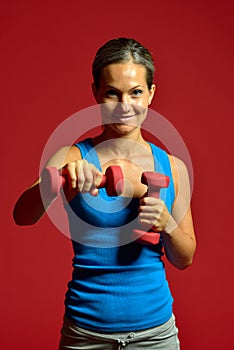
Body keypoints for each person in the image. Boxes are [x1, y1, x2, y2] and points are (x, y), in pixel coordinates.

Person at [13, 37, 196, 349]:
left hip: (156, 335)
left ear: (151, 94)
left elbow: (185, 258)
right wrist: (58, 179)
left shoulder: (173, 167)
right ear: (96, 92)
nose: (125, 106)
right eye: (113, 92)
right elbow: (22, 216)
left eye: (136, 92)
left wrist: (167, 223)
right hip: (86, 334)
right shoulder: (73, 156)